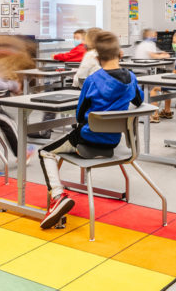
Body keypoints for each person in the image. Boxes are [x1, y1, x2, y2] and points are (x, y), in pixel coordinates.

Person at [38, 31, 143, 229]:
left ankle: (58, 196)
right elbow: (139, 100)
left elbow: (79, 115)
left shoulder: (93, 80)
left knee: (45, 152)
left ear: (96, 57)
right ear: (120, 53)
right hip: (113, 142)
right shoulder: (131, 78)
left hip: (86, 141)